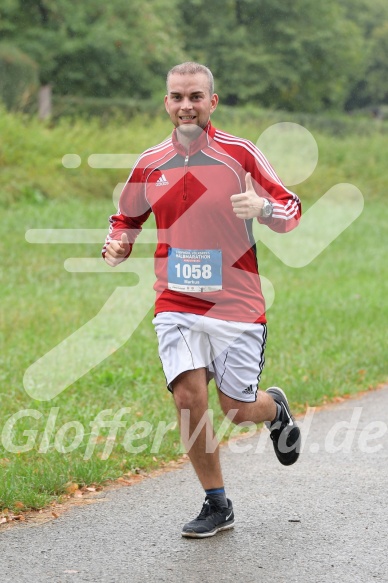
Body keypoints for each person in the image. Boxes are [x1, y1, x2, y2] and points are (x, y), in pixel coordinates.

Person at [103, 62, 302, 538]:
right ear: (166, 103)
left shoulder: (240, 154)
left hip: (236, 304)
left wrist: (265, 207)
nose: (185, 105)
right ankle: (217, 503)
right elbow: (125, 217)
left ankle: (273, 409)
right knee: (188, 397)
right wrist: (117, 242)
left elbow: (291, 209)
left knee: (236, 407)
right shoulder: (151, 162)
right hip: (176, 301)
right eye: (176, 97)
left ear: (212, 102)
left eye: (195, 96)